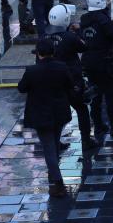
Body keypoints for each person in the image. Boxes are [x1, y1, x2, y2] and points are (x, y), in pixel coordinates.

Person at [17, 38, 74, 198]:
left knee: (49, 148)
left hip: (41, 115)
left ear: (38, 54)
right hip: (59, 113)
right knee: (54, 143)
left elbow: (22, 88)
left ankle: (58, 183)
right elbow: (70, 85)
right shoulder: (62, 67)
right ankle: (53, 171)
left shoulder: (32, 71)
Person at [47, 4, 97, 151]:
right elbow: (84, 46)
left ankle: (55, 141)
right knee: (82, 110)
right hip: (73, 81)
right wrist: (78, 31)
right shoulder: (70, 37)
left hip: (54, 83)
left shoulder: (45, 37)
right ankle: (86, 140)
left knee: (56, 113)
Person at [80, 0, 113, 136]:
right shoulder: (104, 20)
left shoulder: (84, 19)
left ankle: (98, 125)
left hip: (89, 62)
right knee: (111, 96)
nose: (108, 3)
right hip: (105, 63)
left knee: (95, 95)